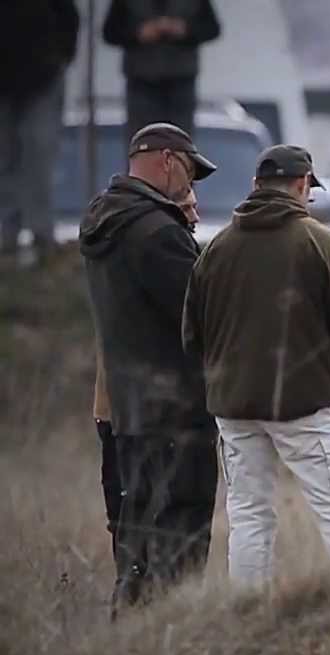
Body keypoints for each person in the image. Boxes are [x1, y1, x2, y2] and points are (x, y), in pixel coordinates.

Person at [181, 145, 330, 589]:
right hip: (305, 402)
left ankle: (246, 613)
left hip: (233, 406)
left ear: (256, 185)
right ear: (302, 185)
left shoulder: (216, 248)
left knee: (249, 515)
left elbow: (191, 335)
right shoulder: (320, 242)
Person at [80, 122, 219, 616]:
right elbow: (202, 315)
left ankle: (131, 628)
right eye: (190, 173)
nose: (191, 187)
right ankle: (170, 631)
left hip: (127, 407)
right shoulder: (158, 233)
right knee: (178, 531)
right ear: (166, 161)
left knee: (135, 531)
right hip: (174, 410)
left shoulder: (105, 221)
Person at [94, 186, 198, 567]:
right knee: (150, 525)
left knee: (129, 526)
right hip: (148, 414)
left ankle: (135, 605)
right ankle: (148, 607)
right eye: (186, 208)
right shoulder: (159, 255)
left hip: (116, 409)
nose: (195, 217)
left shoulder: (109, 249)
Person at [0, 0, 80, 262]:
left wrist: (61, 56)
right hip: (6, 80)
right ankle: (6, 234)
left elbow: (69, 17)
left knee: (39, 154)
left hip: (42, 74)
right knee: (5, 159)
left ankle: (41, 233)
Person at [103, 0, 222, 143]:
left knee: (180, 143)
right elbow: (110, 31)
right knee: (143, 142)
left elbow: (211, 28)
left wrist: (185, 30)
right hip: (141, 81)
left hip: (181, 81)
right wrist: (138, 33)